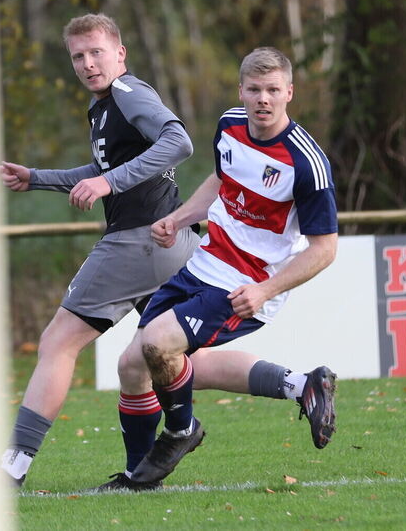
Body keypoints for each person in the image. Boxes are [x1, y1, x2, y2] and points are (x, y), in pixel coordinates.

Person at [0, 16, 333, 491]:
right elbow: (108, 168)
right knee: (159, 360)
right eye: (78, 56)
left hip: (137, 242)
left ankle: (12, 468)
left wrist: (108, 183)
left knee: (57, 343)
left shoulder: (129, 94)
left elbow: (176, 141)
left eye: (97, 52)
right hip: (176, 243)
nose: (89, 63)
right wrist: (38, 177)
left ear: (121, 54)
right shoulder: (113, 109)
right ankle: (297, 385)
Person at [119, 46, 338, 488]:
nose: (263, 99)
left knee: (160, 345)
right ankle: (138, 476)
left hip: (248, 283)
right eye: (254, 89)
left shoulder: (306, 164)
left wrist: (266, 290)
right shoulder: (229, 125)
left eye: (273, 90)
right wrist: (180, 219)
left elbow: (324, 248)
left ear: (289, 93)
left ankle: (182, 432)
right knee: (132, 365)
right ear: (241, 90)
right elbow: (222, 181)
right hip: (206, 261)